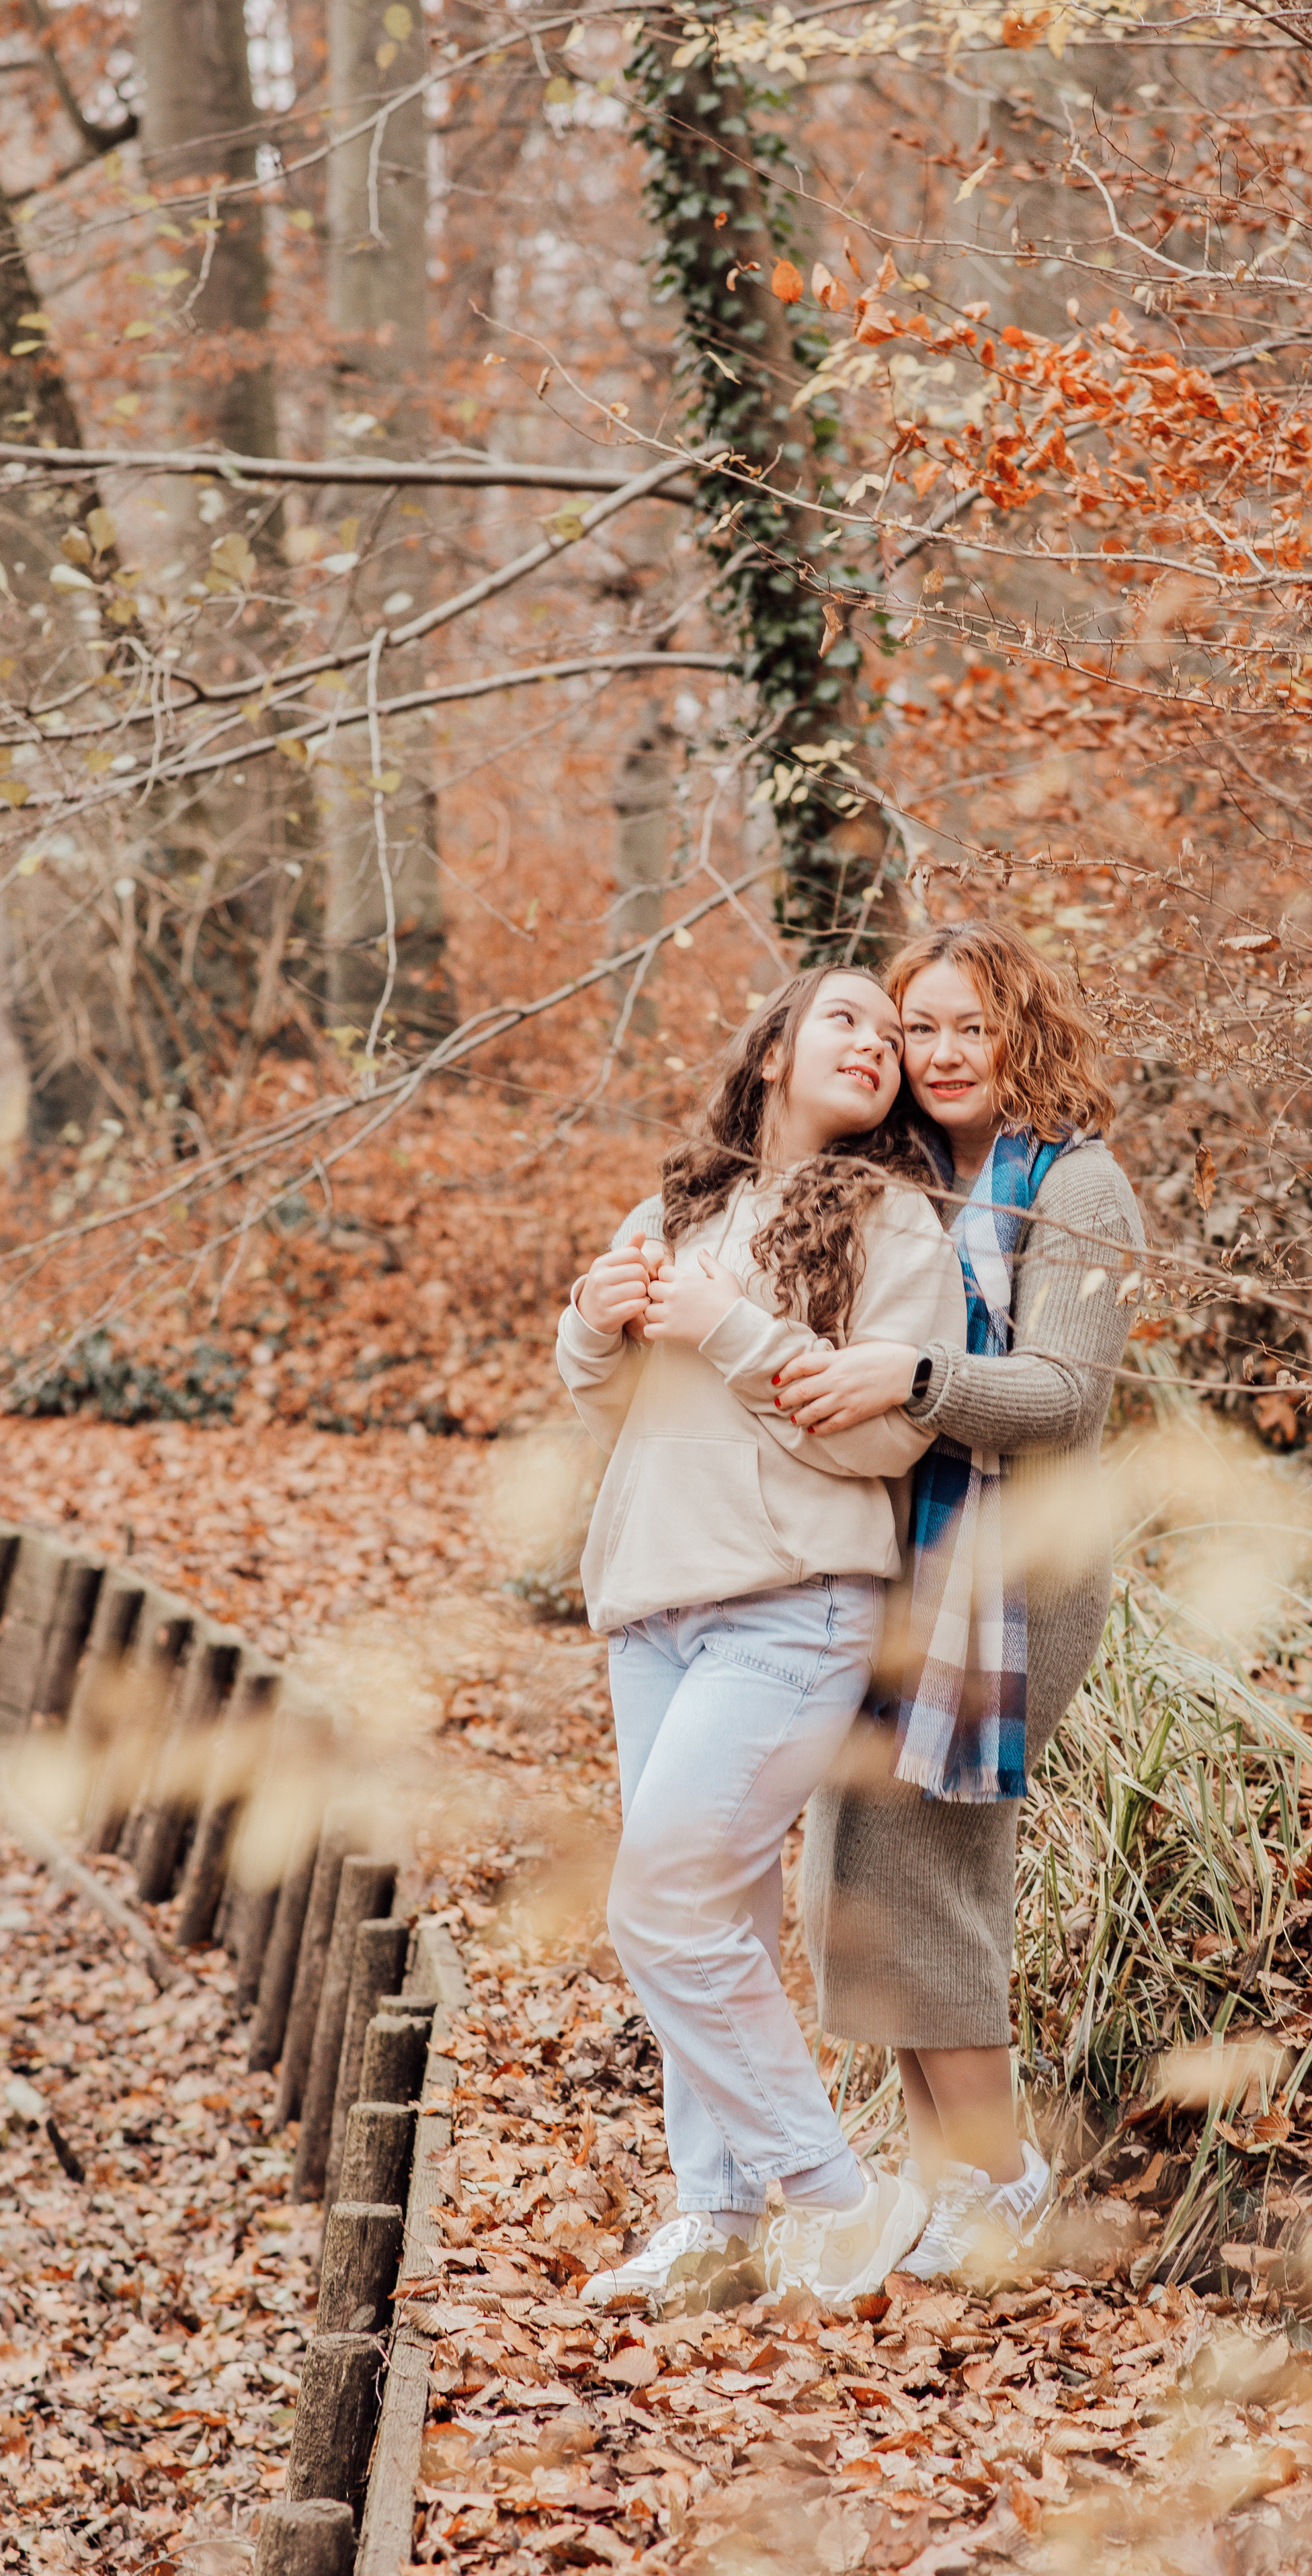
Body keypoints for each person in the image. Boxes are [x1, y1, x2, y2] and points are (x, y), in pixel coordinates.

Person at [557, 968, 965, 2311]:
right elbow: (607, 1398)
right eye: (845, 1017)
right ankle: (716, 2221)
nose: (876, 1042)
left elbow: (886, 1433)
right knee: (711, 1913)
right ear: (776, 1046)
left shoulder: (894, 1220)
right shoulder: (680, 1206)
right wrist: (595, 1320)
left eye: (892, 1037)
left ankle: (838, 2201)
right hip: (649, 1609)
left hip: (792, 1605)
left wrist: (725, 1327)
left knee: (659, 1904)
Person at [772, 922, 1145, 2283]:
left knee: (930, 1871)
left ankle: (1005, 2183)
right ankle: (945, 2182)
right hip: (902, 1560)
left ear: (1018, 1032)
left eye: (963, 1027)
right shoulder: (904, 1178)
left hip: (1013, 1573)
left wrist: (910, 1381)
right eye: (915, 1027)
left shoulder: (1078, 1190)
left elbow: (1062, 1396)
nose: (935, 1053)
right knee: (861, 1872)